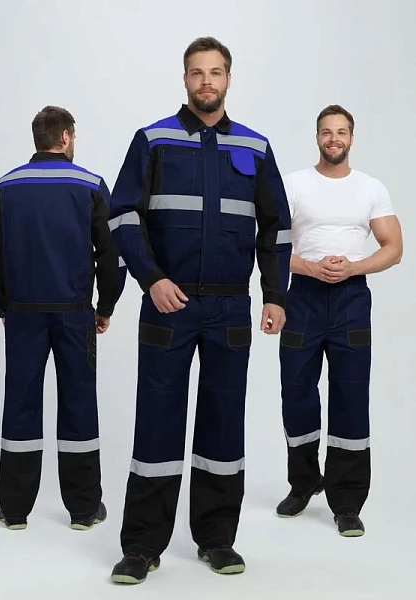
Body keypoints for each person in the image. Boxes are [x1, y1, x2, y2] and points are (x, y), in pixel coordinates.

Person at [108, 36, 291, 584]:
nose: (206, 81)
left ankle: (216, 539)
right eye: (196, 72)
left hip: (230, 309)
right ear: (184, 79)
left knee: (223, 423)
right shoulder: (154, 140)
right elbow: (122, 216)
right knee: (157, 422)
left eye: (215, 72)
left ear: (229, 78)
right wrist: (152, 278)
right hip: (169, 304)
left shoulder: (256, 147)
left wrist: (275, 294)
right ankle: (142, 546)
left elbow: (276, 228)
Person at [0, 106, 121, 531]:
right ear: (64, 137)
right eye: (73, 137)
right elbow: (111, 254)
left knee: (20, 401)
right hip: (74, 314)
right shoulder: (90, 185)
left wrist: (4, 305)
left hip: (23, 314)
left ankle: (14, 510)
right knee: (79, 403)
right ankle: (83, 509)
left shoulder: (5, 186)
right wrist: (105, 306)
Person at [276, 104, 403, 536]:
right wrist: (311, 268)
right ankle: (304, 482)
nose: (334, 139)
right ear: (317, 137)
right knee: (296, 392)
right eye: (327, 132)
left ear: (351, 138)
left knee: (350, 395)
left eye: (342, 132)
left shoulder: (370, 188)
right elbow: (270, 246)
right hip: (302, 298)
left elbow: (393, 247)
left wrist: (353, 267)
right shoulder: (294, 184)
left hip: (351, 300)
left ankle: (347, 502)